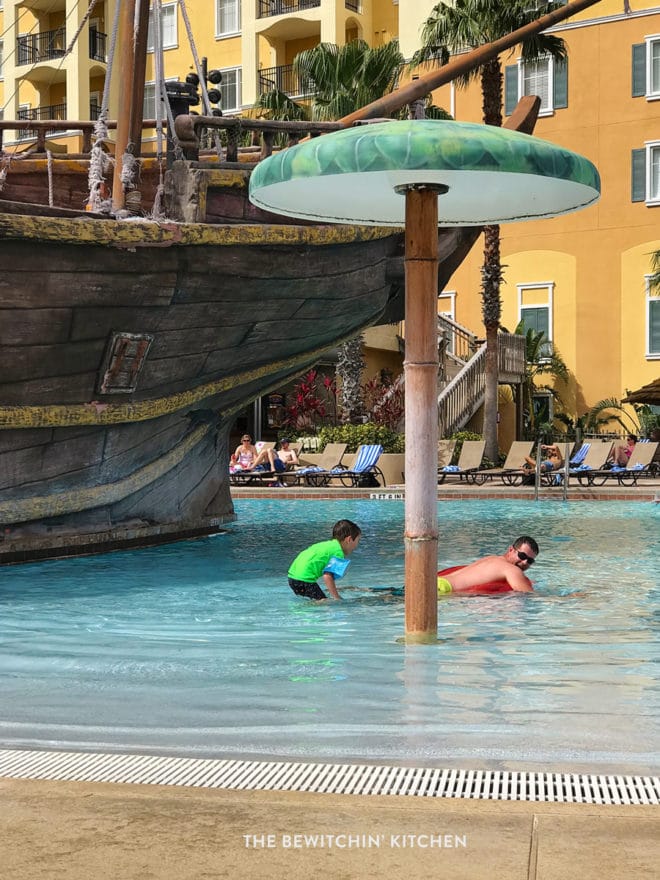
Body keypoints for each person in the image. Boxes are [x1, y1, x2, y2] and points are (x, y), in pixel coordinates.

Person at [287, 519, 362, 600]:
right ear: (349, 540)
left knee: (315, 598)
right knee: (324, 602)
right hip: (304, 580)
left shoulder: (329, 545)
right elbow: (327, 576)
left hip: (292, 576)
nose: (357, 546)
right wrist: (336, 597)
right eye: (358, 541)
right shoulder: (338, 552)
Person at [438, 536, 538, 594]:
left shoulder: (492, 559)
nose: (525, 562)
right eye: (522, 555)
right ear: (511, 550)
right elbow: (527, 594)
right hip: (443, 589)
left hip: (439, 581)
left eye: (530, 560)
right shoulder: (512, 569)